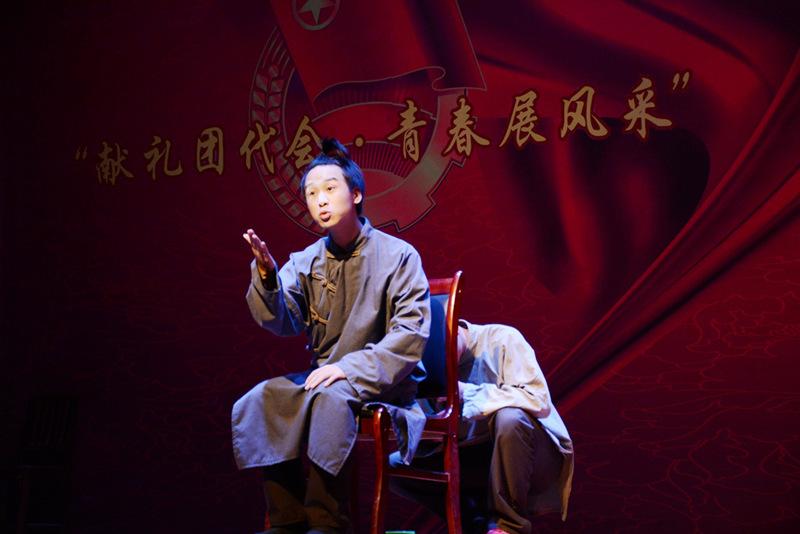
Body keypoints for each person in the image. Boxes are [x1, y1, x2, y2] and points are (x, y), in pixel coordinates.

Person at [232, 138, 431, 534]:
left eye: (329, 188)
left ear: (355, 195)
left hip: (381, 378)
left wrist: (348, 369)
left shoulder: (398, 256)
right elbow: (281, 319)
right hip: (326, 376)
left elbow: (410, 333)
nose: (319, 200)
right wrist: (268, 276)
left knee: (329, 399)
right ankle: (287, 519)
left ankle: (327, 521)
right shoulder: (306, 260)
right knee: (264, 398)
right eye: (311, 193)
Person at [395, 320, 574, 534]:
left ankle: (509, 526)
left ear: (453, 332)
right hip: (475, 457)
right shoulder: (425, 365)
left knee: (509, 417)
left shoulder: (503, 339)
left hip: (531, 455)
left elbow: (538, 400)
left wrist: (465, 392)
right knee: (396, 465)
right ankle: (473, 525)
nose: (437, 364)